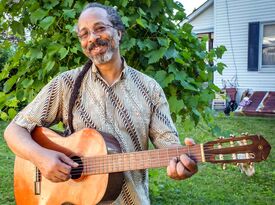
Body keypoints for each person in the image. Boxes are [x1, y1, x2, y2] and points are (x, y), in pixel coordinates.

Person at [4, 2, 197, 204]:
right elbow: (14, 130)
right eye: (84, 34)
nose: (92, 38)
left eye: (100, 28)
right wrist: (40, 158)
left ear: (119, 33)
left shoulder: (150, 88)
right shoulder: (66, 84)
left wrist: (181, 164)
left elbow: (170, 146)